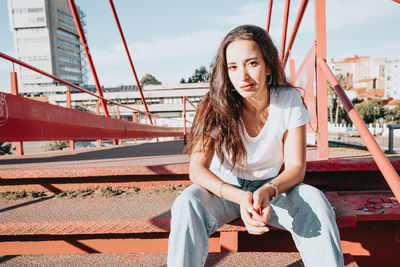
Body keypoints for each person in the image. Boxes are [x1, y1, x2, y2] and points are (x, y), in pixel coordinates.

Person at [167, 25, 344, 267]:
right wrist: (241, 197)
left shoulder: (288, 101)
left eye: (252, 63)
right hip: (225, 190)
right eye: (233, 67)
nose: (243, 76)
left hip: (272, 189)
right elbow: (197, 170)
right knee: (187, 203)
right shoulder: (214, 105)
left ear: (268, 66)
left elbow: (295, 168)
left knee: (314, 200)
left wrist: (267, 191)